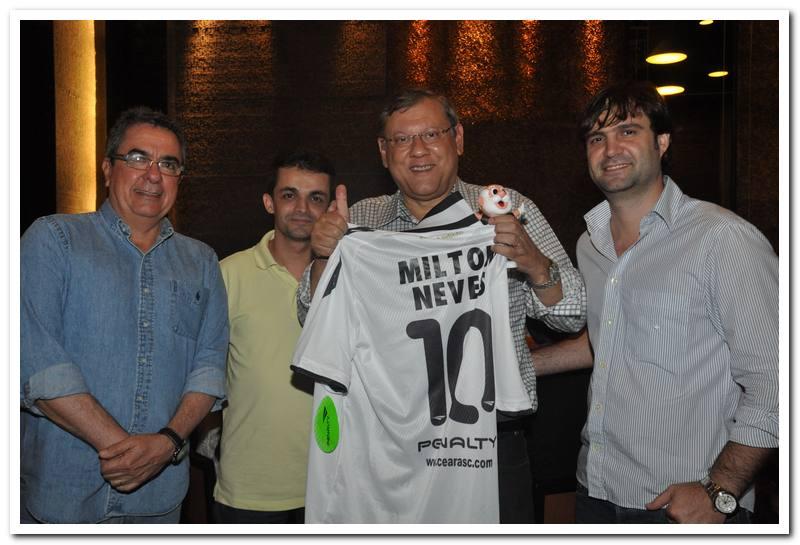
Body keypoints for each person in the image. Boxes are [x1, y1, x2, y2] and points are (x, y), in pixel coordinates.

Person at [296, 88, 586, 522]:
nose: (418, 150)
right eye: (401, 139)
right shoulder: (360, 221)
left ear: (458, 139)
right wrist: (323, 257)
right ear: (383, 152)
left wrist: (535, 263)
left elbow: (574, 314)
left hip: (488, 438)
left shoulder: (508, 209)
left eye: (431, 134)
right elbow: (311, 320)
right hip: (389, 443)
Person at [532, 80, 779, 523]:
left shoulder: (722, 238)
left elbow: (779, 379)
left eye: (627, 131)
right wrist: (514, 365)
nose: (611, 149)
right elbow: (609, 337)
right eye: (597, 138)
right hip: (596, 490)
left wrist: (720, 490)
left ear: (662, 142)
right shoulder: (591, 244)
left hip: (685, 503)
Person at [20, 107, 229, 524]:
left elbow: (209, 368)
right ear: (107, 169)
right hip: (63, 498)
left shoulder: (202, 262)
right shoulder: (54, 239)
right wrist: (129, 453)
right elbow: (38, 363)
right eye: (137, 157)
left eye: (168, 164)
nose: (153, 175)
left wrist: (167, 443)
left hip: (160, 500)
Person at [211, 150, 333, 523]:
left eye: (316, 198)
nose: (303, 208)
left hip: (332, 485)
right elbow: (203, 371)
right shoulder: (228, 275)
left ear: (330, 209)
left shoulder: (350, 276)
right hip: (250, 490)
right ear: (269, 202)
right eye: (289, 195)